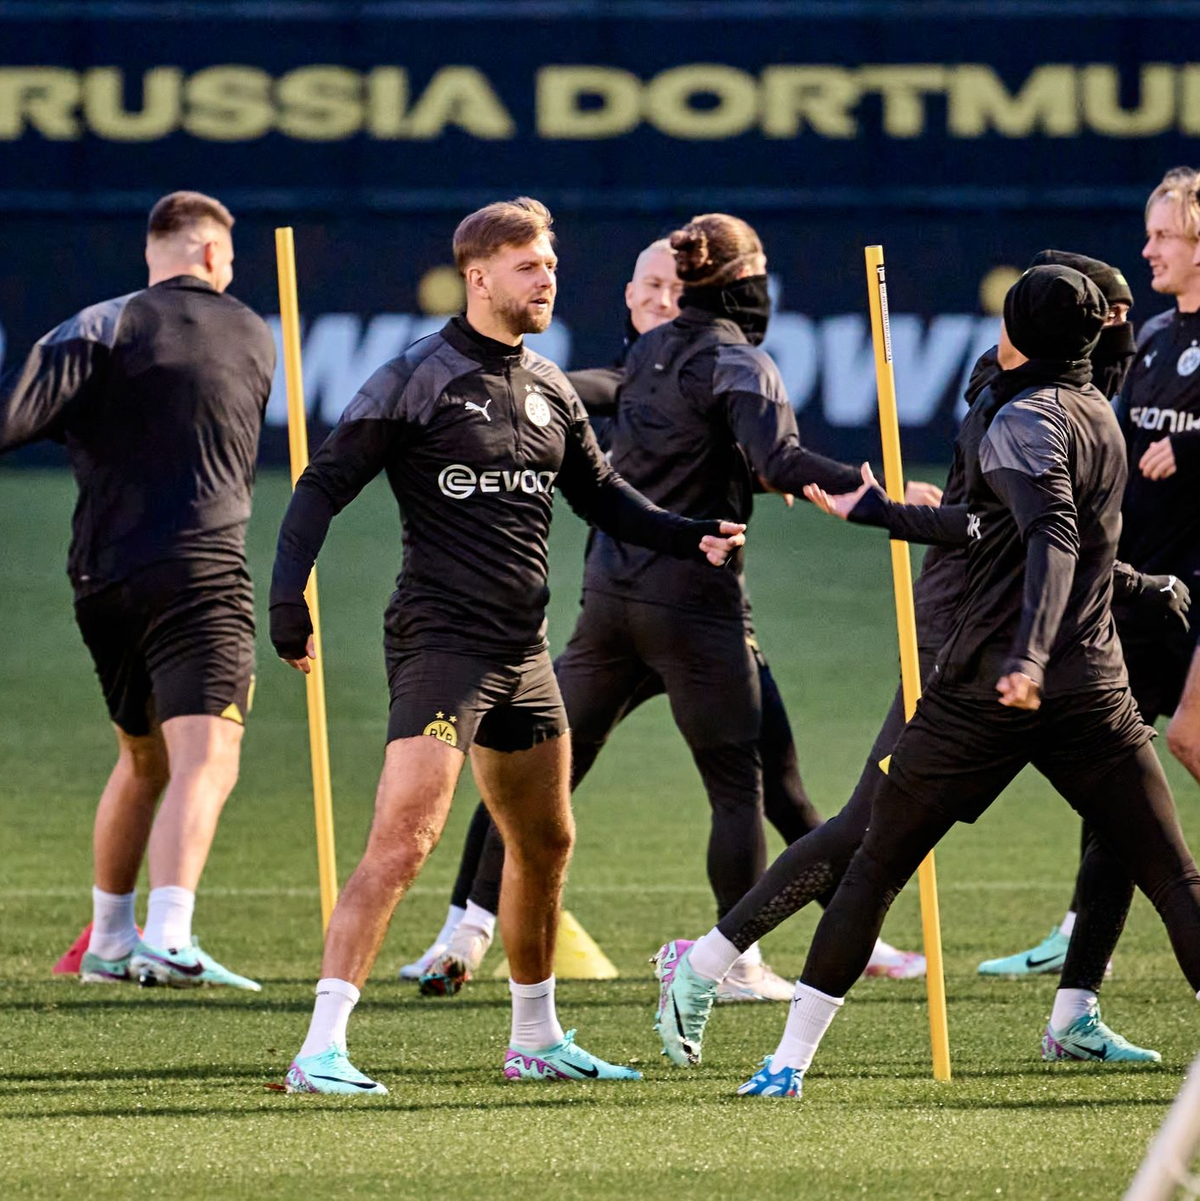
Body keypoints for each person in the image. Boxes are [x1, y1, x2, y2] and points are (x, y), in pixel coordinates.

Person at [652, 253, 1191, 1071]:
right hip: (969, 645)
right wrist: (882, 511)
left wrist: (1046, 632)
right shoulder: (1024, 399)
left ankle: (1067, 1010)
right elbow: (1000, 529)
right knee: (866, 834)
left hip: (1017, 658)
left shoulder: (1044, 406)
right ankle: (708, 965)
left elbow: (1038, 535)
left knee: (900, 842)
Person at [270, 197, 745, 1095]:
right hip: (441, 648)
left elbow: (603, 496)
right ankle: (320, 1048)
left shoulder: (550, 385)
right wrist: (288, 598)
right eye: (528, 267)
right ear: (478, 274)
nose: (547, 280)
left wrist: (691, 534)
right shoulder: (417, 376)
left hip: (525, 654)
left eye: (551, 266)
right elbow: (322, 483)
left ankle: (536, 1037)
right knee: (404, 842)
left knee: (548, 840)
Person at [404, 238, 925, 1001]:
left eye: (673, 284)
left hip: (619, 608)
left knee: (769, 778)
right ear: (628, 292)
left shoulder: (659, 371)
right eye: (649, 283)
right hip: (687, 610)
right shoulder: (645, 370)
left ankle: (855, 930)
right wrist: (870, 493)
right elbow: (768, 452)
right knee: (592, 780)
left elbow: (740, 449)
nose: (661, 296)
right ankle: (477, 929)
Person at [0, 191, 273, 991]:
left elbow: (11, 420)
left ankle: (112, 941)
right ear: (217, 256)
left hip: (101, 577)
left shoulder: (99, 324)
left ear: (154, 255)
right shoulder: (252, 330)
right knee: (209, 753)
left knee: (143, 757)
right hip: (201, 570)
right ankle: (170, 934)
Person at [981, 168, 1200, 977]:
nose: (1148, 249)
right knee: (1118, 769)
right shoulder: (1157, 339)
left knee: (1172, 741)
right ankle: (1080, 970)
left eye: (1164, 236)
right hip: (1146, 587)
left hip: (1193, 590)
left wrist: (1195, 448)